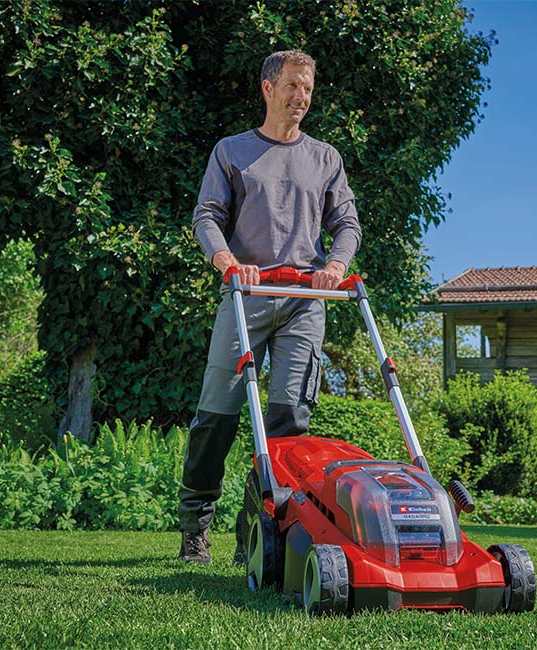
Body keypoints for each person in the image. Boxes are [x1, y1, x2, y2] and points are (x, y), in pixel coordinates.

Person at [179, 50, 361, 563]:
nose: (301, 97)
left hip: (306, 300)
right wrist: (227, 261)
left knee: (288, 421)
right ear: (267, 88)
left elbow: (346, 223)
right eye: (293, 86)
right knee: (217, 415)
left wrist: (337, 266)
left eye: (308, 87)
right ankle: (196, 527)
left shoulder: (325, 158)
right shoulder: (232, 151)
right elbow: (206, 216)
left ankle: (257, 529)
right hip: (246, 295)